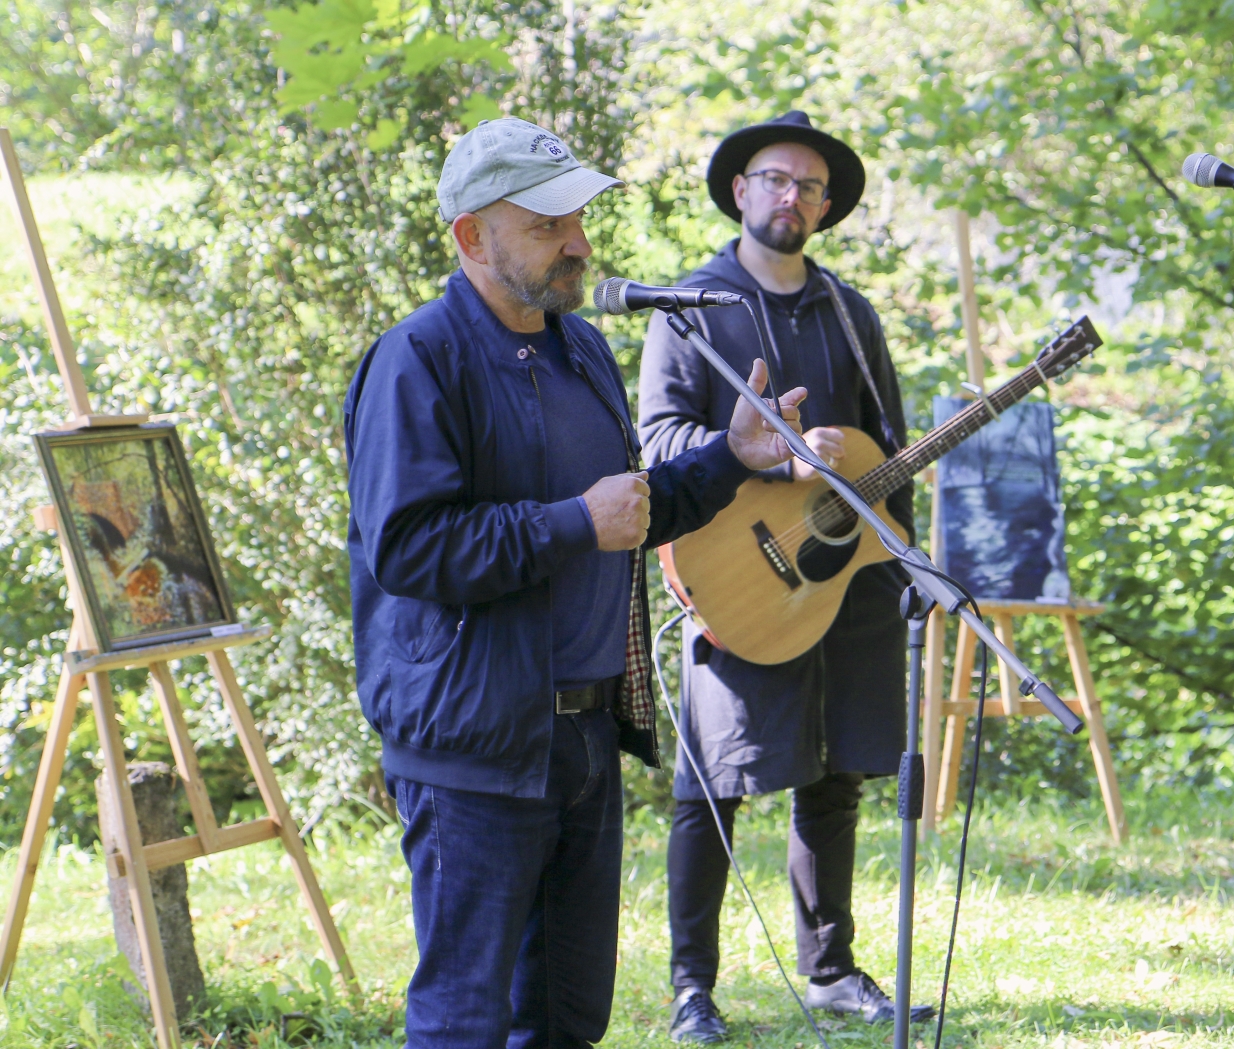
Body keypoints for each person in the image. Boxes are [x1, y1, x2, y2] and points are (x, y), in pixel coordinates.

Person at [344, 117, 806, 1049]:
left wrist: (730, 457)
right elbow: (409, 549)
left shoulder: (582, 349)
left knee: (566, 1015)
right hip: (476, 747)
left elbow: (629, 512)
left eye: (579, 218)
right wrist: (572, 523)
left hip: (588, 734)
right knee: (465, 1016)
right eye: (548, 223)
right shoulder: (418, 359)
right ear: (473, 236)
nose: (579, 243)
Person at [638, 111, 933, 1043]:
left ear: (825, 205)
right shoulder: (691, 308)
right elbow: (659, 441)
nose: (790, 197)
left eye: (809, 186)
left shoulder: (850, 311)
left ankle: (831, 970)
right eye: (774, 179)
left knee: (838, 769)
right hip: (735, 573)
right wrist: (770, 460)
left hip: (842, 573)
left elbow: (885, 448)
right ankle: (693, 988)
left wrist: (909, 559)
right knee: (711, 785)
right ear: (740, 190)